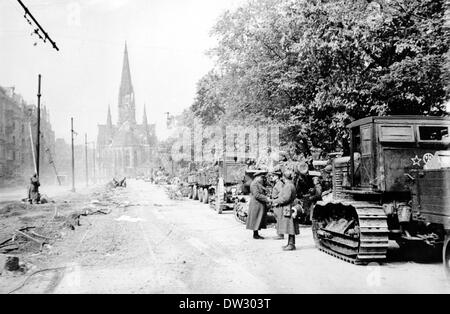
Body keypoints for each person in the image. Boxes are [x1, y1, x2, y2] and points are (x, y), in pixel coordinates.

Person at [273, 170, 299, 251]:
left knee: (290, 226)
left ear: (284, 177)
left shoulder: (288, 185)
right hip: (289, 207)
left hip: (287, 208)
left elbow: (285, 198)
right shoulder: (291, 184)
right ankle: (289, 243)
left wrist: (276, 201)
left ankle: (291, 244)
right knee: (289, 226)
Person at [246, 171, 271, 240]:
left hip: (259, 204)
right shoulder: (254, 184)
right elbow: (257, 195)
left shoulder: (258, 183)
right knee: (256, 219)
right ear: (257, 177)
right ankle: (255, 235)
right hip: (256, 204)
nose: (262, 179)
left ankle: (256, 234)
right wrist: (266, 198)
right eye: (261, 177)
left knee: (258, 219)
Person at [270, 168, 284, 240]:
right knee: (277, 218)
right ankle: (279, 233)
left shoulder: (279, 184)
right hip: (275, 203)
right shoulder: (277, 183)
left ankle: (280, 234)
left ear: (277, 177)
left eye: (273, 176)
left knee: (279, 219)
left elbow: (281, 194)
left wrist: (276, 201)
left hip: (277, 204)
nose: (272, 177)